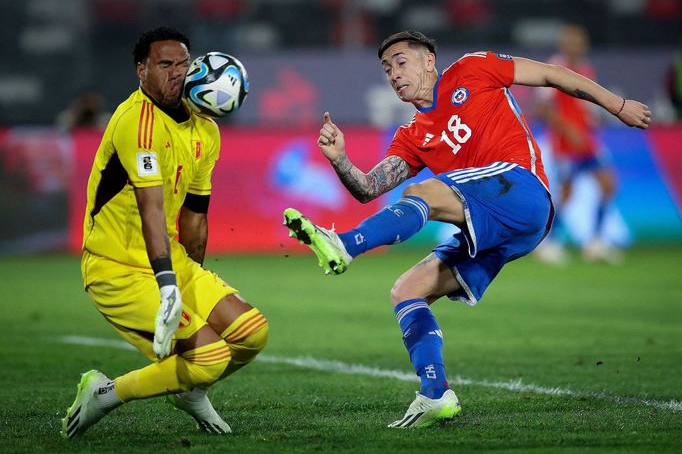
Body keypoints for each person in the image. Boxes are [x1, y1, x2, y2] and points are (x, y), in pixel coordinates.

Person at [283, 30, 650, 428]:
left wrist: (618, 105)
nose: (393, 74)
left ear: (428, 60)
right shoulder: (412, 136)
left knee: (424, 190)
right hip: (502, 226)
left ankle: (344, 244)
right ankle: (435, 393)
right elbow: (369, 188)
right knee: (407, 290)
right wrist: (339, 160)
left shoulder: (473, 69)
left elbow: (552, 75)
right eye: (387, 68)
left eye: (401, 62)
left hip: (523, 188)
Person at [61, 27, 269, 438]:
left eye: (183, 64)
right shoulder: (136, 123)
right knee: (208, 357)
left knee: (251, 334)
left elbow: (195, 215)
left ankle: (189, 391)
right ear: (142, 71)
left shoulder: (205, 129)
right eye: (165, 64)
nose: (177, 73)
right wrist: (169, 287)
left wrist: (192, 280)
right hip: (116, 268)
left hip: (168, 259)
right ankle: (104, 392)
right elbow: (152, 209)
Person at [534, 24, 621, 264]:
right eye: (572, 41)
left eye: (580, 41)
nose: (576, 45)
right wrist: (567, 128)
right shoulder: (554, 68)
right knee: (567, 193)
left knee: (608, 185)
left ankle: (595, 242)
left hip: (588, 141)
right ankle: (548, 244)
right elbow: (542, 108)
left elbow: (584, 105)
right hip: (565, 144)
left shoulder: (585, 69)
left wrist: (593, 118)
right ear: (564, 44)